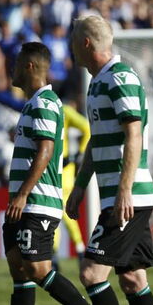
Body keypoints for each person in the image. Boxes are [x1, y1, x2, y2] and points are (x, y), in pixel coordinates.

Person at [66, 14, 153, 305]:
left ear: (86, 43)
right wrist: (80, 186)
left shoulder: (121, 77)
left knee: (92, 273)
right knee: (133, 279)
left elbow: (134, 134)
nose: (70, 46)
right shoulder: (98, 83)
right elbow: (98, 141)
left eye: (73, 40)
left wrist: (124, 190)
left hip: (129, 197)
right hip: (120, 195)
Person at [0, 42, 106, 305]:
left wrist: (23, 194)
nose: (12, 69)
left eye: (17, 63)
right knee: (18, 268)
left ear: (29, 67)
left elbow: (45, 151)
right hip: (22, 202)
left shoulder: (45, 103)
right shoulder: (33, 104)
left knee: (38, 268)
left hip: (37, 201)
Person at [53, 98, 90, 258]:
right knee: (56, 211)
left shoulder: (62, 111)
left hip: (63, 170)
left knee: (58, 211)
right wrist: (79, 154)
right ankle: (78, 248)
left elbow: (87, 128)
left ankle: (57, 254)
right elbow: (86, 129)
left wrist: (79, 155)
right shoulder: (63, 111)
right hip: (56, 169)